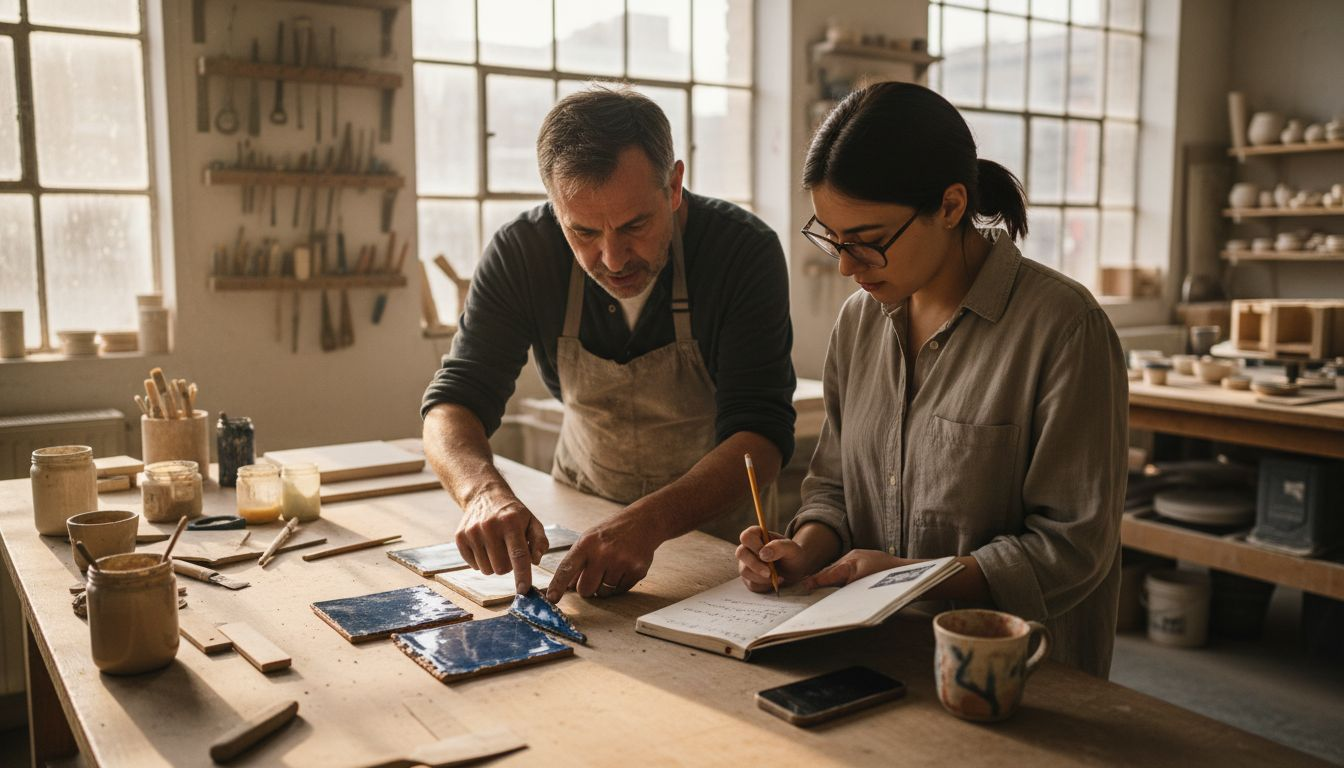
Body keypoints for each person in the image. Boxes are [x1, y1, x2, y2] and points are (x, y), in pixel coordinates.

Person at [736, 82, 1126, 677]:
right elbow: (835, 486)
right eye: (832, 239)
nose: (845, 266)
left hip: (1017, 675)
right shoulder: (860, 322)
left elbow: (1073, 550)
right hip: (872, 654)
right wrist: (804, 549)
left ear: (949, 206)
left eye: (867, 242)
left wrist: (909, 578)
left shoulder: (1064, 329)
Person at [423, 86, 796, 605]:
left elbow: (762, 436)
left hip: (718, 541)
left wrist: (649, 521)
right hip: (577, 517)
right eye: (583, 232)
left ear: (673, 186)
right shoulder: (522, 252)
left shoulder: (741, 250)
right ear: (556, 209)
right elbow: (452, 403)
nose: (613, 258)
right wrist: (481, 492)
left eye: (634, 226)